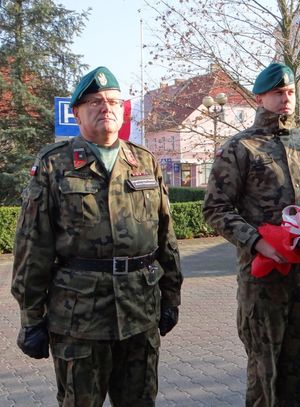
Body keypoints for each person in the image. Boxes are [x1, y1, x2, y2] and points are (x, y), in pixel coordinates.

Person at [11, 66, 183, 406]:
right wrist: (31, 319)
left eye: (113, 101)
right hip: (79, 320)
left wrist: (171, 298)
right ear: (76, 112)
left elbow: (166, 238)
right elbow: (32, 247)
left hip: (140, 313)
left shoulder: (144, 162)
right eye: (95, 101)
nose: (106, 107)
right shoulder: (53, 164)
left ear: (123, 110)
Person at [203, 62, 300, 407]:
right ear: (260, 97)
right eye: (278, 92)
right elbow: (216, 208)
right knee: (266, 376)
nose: (286, 99)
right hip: (265, 283)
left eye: (290, 92)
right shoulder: (240, 148)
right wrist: (257, 242)